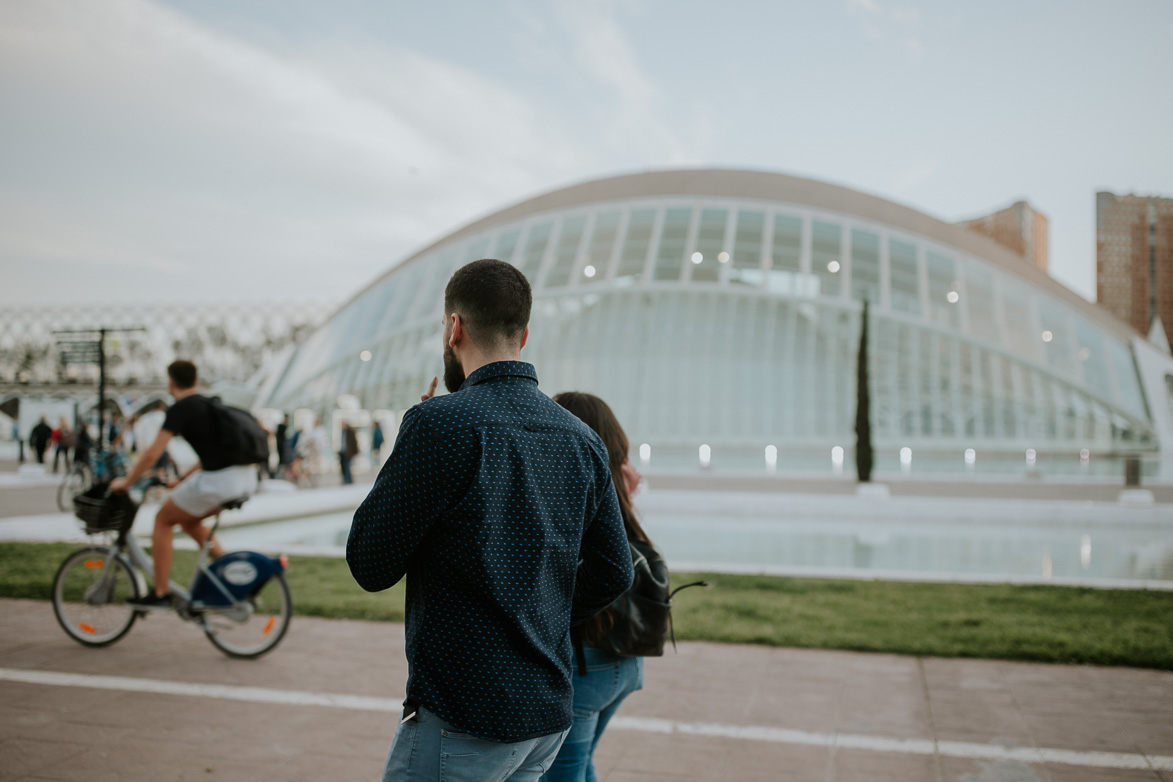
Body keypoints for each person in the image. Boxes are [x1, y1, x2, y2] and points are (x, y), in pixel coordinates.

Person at [348, 258, 634, 781]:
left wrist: (410, 449)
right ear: (524, 335)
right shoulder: (581, 438)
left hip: (465, 715)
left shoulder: (439, 424)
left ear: (454, 328)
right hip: (546, 716)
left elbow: (370, 563)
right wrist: (537, 616)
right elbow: (615, 569)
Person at [541, 393, 653, 782]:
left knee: (563, 774)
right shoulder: (616, 485)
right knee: (582, 763)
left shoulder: (570, 490)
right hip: (624, 658)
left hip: (585, 663)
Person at [110, 360, 259, 608]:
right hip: (243, 478)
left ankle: (160, 593)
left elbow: (151, 454)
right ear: (196, 381)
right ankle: (230, 577)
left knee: (163, 519)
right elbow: (208, 455)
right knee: (189, 520)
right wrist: (181, 479)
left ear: (171, 382)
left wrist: (127, 482)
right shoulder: (209, 404)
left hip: (219, 481)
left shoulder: (181, 409)